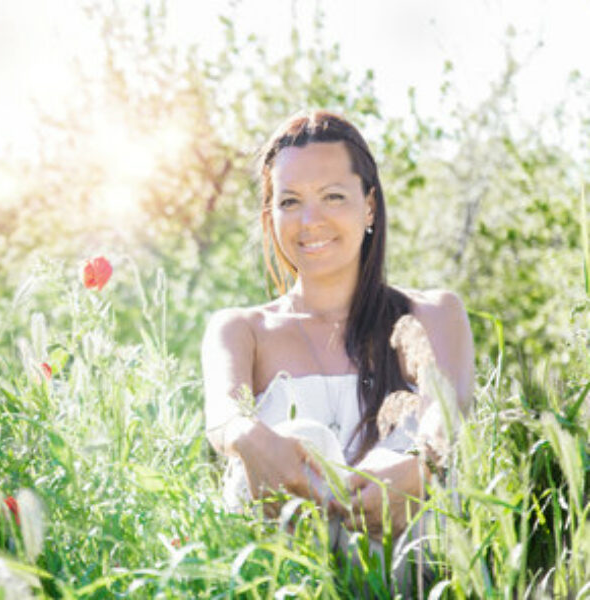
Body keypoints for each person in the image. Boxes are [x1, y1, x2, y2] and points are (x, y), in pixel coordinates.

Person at [201, 110, 474, 587]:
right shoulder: (241, 328)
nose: (311, 221)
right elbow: (223, 414)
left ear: (369, 206)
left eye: (332, 196)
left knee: (399, 460)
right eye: (290, 201)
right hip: (283, 577)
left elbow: (446, 416)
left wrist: (420, 467)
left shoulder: (433, 314)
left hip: (405, 568)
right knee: (304, 435)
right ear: (270, 216)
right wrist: (250, 439)